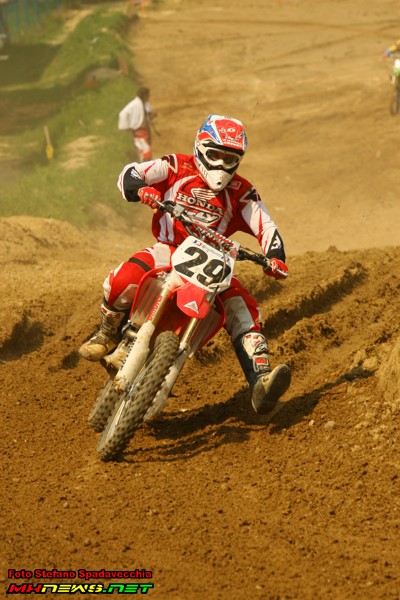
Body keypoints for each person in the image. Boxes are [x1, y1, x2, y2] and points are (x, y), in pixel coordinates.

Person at [79, 114, 291, 416]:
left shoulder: (242, 191)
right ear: (201, 147)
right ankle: (107, 332)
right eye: (215, 154)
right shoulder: (176, 166)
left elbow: (265, 225)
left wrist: (275, 257)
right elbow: (131, 173)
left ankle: (261, 382)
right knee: (124, 277)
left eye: (229, 158)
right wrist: (140, 189)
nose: (221, 164)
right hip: (169, 249)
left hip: (214, 262)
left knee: (243, 309)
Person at [118, 86, 157, 162]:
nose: (149, 96)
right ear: (144, 95)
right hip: (140, 132)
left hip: (144, 132)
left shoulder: (143, 104)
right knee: (146, 152)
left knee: (145, 151)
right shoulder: (135, 104)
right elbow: (123, 114)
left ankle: (145, 166)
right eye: (148, 95)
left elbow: (145, 116)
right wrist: (127, 126)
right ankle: (144, 167)